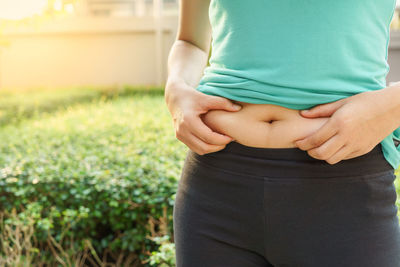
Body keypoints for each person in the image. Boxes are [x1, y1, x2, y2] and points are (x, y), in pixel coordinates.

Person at [165, 0, 400, 266]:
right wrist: (176, 89)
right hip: (215, 189)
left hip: (344, 187)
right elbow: (190, 41)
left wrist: (392, 104)